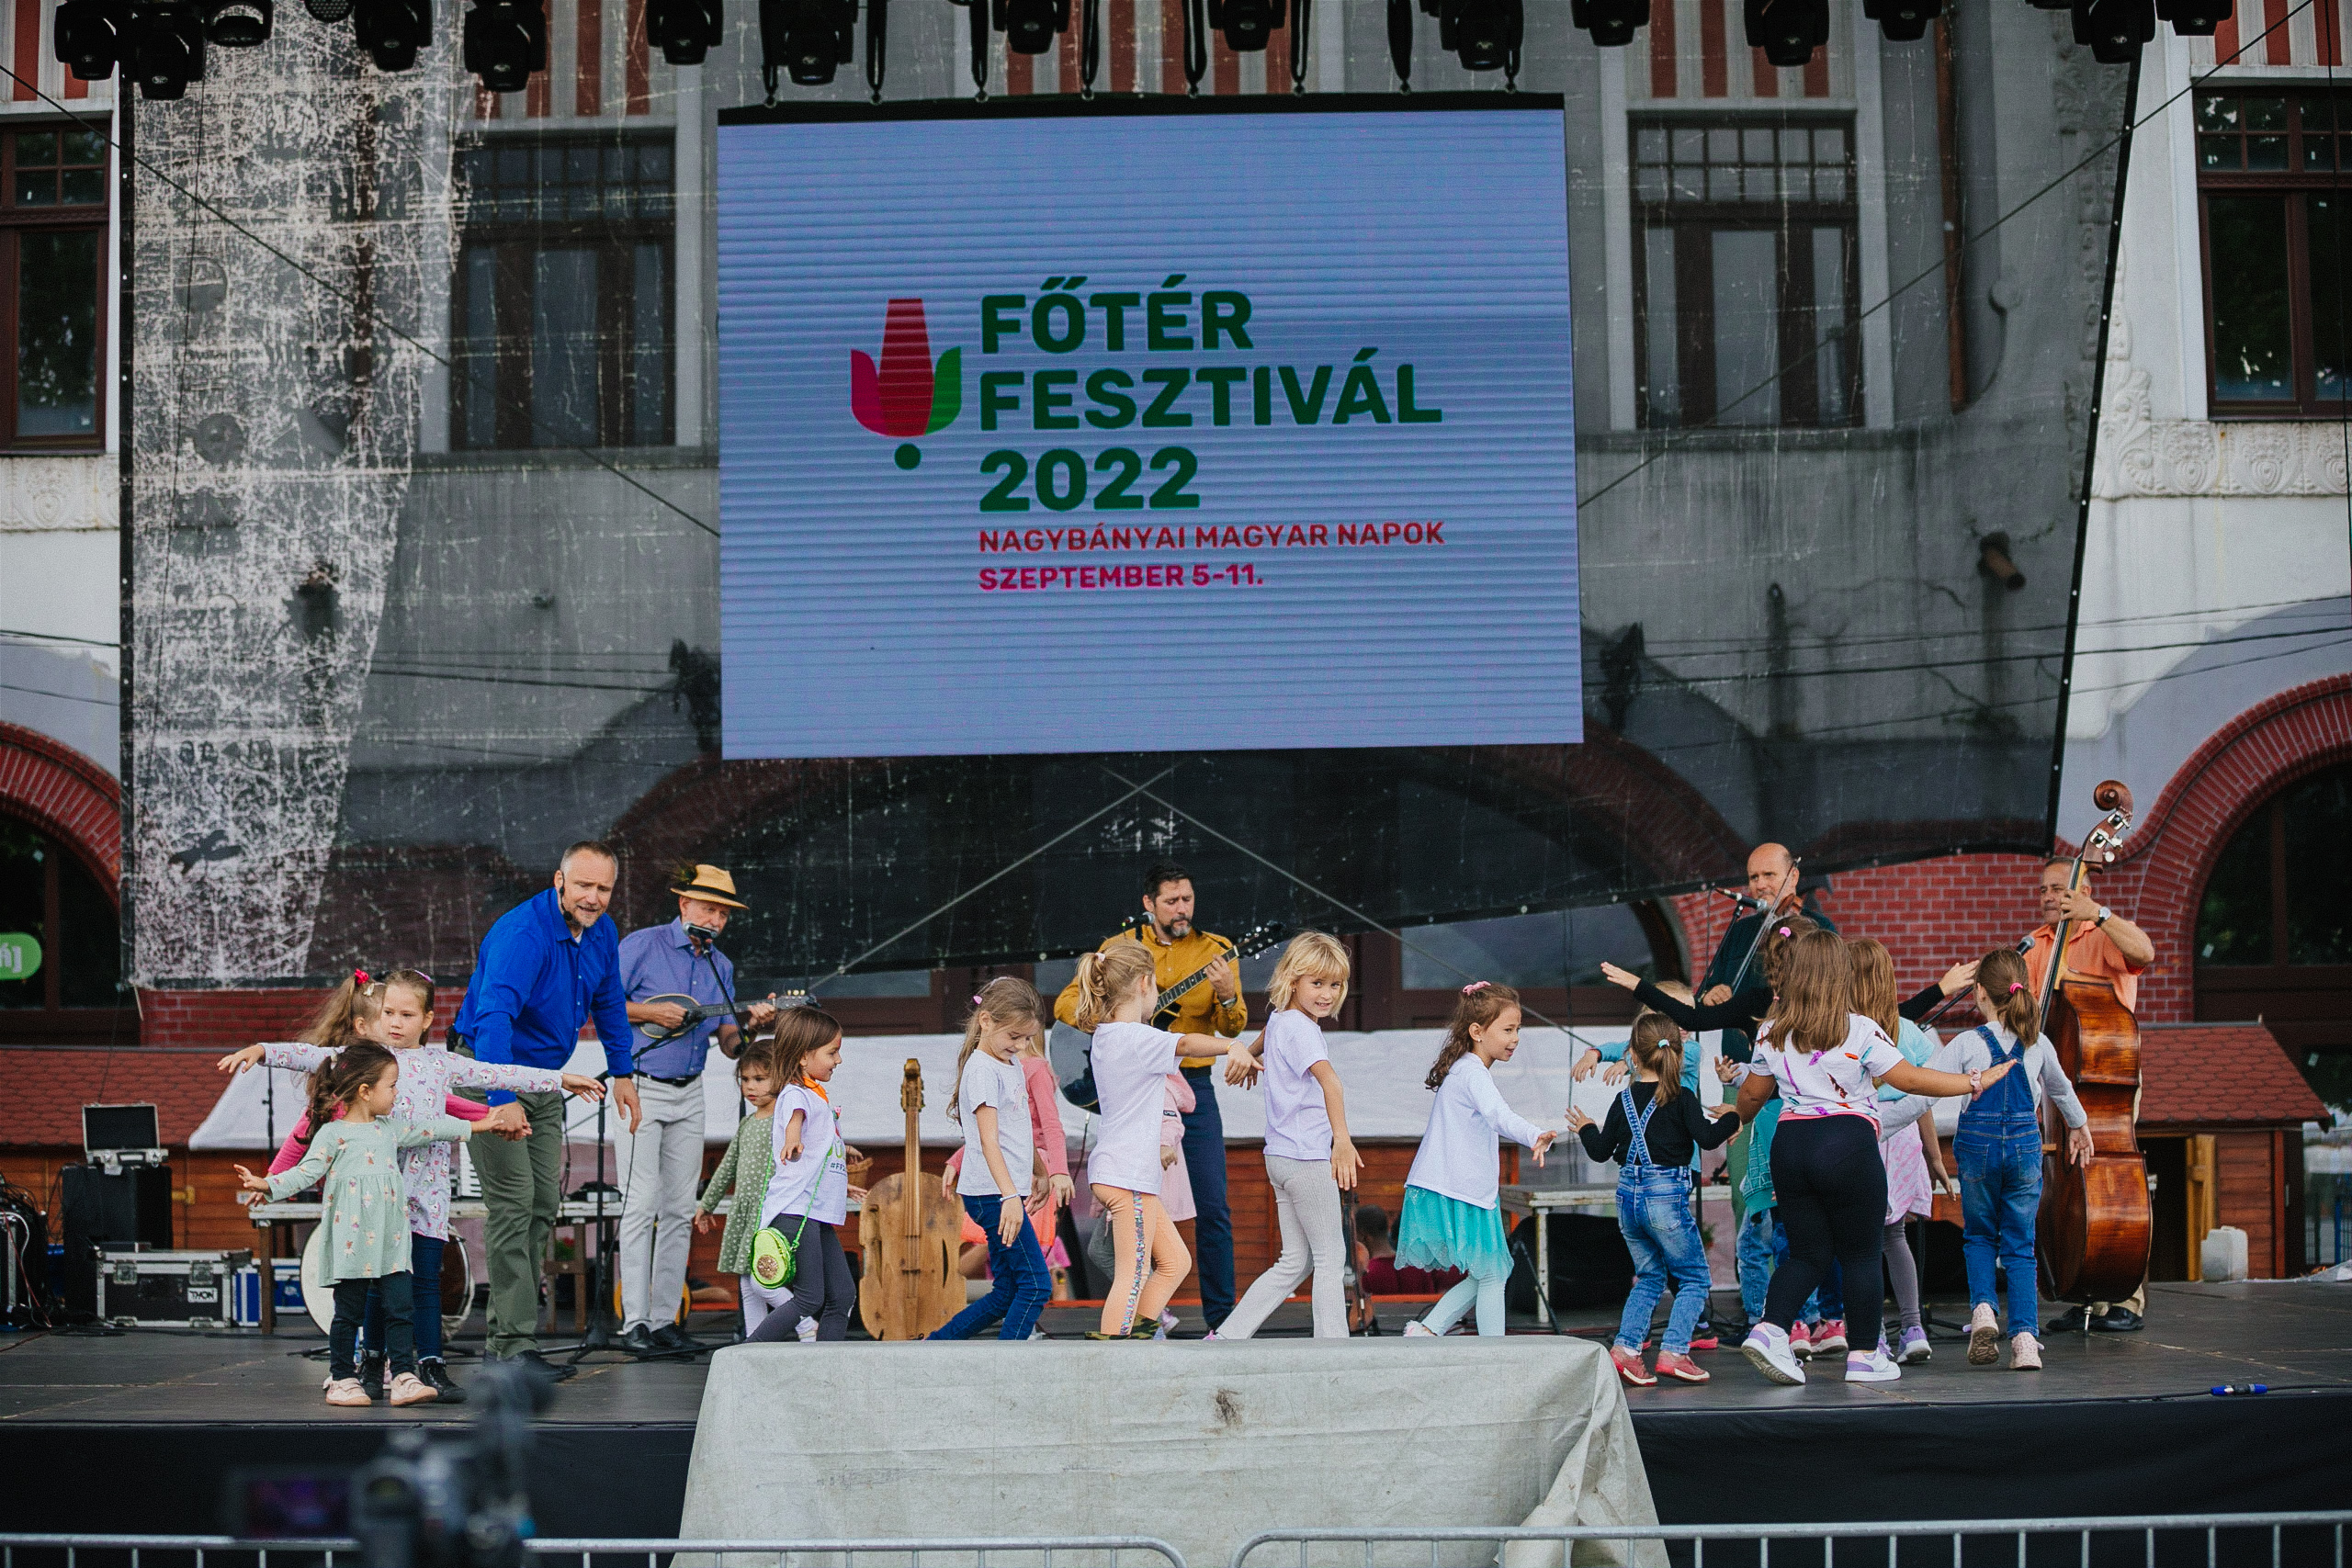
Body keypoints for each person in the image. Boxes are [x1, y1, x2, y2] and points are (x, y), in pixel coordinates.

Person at [220, 969, 582, 1402]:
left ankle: (430, 1366)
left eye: (407, 1015)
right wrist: (262, 1051)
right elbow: (307, 1068)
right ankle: (372, 1365)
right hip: (375, 1197)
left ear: (427, 1019)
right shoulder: (363, 1062)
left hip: (426, 1191)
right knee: (376, 1283)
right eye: (388, 1012)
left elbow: (494, 1075)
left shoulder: (440, 1064)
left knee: (425, 1281)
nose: (395, 1022)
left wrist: (558, 1080)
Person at [1731, 931, 2015, 1387]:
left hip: (1791, 1145)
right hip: (1847, 1143)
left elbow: (1751, 1095)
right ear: (1840, 976)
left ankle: (1769, 1330)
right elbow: (1911, 1079)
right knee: (1861, 1254)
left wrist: (1736, 1119)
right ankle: (1864, 1355)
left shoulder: (1771, 1032)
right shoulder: (1860, 1029)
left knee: (1807, 1254)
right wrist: (1973, 1081)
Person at [449, 840, 643, 1378]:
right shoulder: (523, 934)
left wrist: (623, 1072)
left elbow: (609, 1001)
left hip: (544, 1080)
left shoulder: (602, 931)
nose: (594, 897)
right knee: (514, 1204)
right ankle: (511, 1348)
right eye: (583, 885)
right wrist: (502, 1098)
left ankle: (513, 1340)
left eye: (604, 888)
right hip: (488, 1072)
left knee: (541, 1204)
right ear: (559, 881)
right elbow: (493, 1020)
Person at [235, 1043, 485, 1407]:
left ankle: (404, 1376)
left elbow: (432, 1129)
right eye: (392, 1086)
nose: (398, 1093)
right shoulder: (332, 1134)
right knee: (349, 1313)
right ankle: (342, 1378)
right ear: (366, 1092)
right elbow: (305, 1172)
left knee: (400, 1309)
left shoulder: (390, 1129)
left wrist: (481, 1124)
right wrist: (268, 1184)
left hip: (391, 1241)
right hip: (352, 1243)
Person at [1056, 862, 1249, 1328]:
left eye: (1188, 899)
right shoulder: (1131, 1024)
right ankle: (1116, 1349)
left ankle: (1162, 1331)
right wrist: (1232, 1048)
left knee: (1181, 1253)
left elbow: (1225, 1025)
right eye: (1171, 900)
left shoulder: (1215, 951)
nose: (1182, 908)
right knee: (1134, 1270)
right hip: (1130, 1163)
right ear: (1149, 903)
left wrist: (1226, 998)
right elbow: (1183, 1043)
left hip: (1179, 1099)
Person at [1883, 946, 2091, 1371]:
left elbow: (1923, 1092)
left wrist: (1879, 1126)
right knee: (2020, 1244)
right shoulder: (2038, 1043)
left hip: (1977, 1150)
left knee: (1979, 1235)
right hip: (2024, 1151)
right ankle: (2026, 1340)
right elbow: (2061, 1089)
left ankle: (1982, 1311)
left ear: (1979, 993)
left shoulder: (1966, 1043)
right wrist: (2080, 1126)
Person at [615, 864, 778, 1354]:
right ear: (683, 904)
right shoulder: (642, 946)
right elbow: (600, 1004)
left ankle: (665, 1319)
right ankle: (634, 1322)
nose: (716, 920)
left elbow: (730, 1044)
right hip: (640, 1084)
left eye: (724, 914)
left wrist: (750, 1026)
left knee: (680, 1207)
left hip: (690, 1090)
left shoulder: (720, 966)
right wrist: (650, 1012)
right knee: (640, 1202)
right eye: (709, 909)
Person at [1571, 1010, 1742, 1385]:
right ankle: (1675, 1351)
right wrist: (1733, 1116)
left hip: (1627, 1199)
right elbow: (1708, 1139)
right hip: (1665, 1197)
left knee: (1649, 1276)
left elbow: (1600, 1151)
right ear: (1678, 1054)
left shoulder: (1623, 1100)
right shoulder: (1682, 1098)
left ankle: (1626, 1350)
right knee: (1694, 1277)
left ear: (1632, 1056)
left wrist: (1585, 1127)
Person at [2021, 855, 2154, 1336]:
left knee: (2111, 1182)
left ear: (2083, 891)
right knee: (2064, 1183)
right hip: (2055, 1082)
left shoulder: (2104, 932)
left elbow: (2145, 953)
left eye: (2058, 889)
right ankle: (2083, 1292)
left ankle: (2126, 1295)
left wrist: (2098, 915)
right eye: (2043, 890)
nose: (2048, 897)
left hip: (2103, 1075)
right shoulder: (2036, 944)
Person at [1217, 931, 1363, 1341]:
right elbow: (1331, 1082)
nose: (1327, 994)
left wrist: (1249, 1056)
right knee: (1331, 1258)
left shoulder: (1281, 1018)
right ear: (1293, 980)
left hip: (1280, 1157)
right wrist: (1342, 1140)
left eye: (1334, 985)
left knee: (1294, 1262)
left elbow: (1263, 1040)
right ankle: (1332, 1349)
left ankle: (1228, 1337)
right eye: (1317, 983)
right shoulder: (1303, 1030)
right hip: (1307, 1157)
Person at [1398, 982, 1558, 1339]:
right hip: (1460, 1188)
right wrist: (1534, 1134)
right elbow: (1499, 1115)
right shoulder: (1472, 1073)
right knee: (1492, 1273)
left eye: (1517, 1030)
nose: (1515, 1039)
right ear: (1477, 1032)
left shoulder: (1465, 1070)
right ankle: (1490, 1351)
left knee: (1491, 1272)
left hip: (1458, 1186)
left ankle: (1427, 1331)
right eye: (1508, 1030)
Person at [1847, 937, 1955, 1366]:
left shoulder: (1846, 1032)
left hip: (1863, 1135)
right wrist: (1934, 1157)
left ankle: (1872, 1334)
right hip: (1907, 1138)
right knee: (1895, 1236)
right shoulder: (1906, 1030)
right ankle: (1913, 1328)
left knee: (1862, 1243)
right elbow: (1922, 1097)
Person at [931, 978, 1056, 1342]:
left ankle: (936, 1345)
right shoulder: (983, 1070)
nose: (1021, 1046)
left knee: (1006, 1291)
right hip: (993, 1195)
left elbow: (1018, 1129)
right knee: (1036, 1285)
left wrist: (1040, 1172)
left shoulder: (1009, 1062)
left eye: (1028, 1038)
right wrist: (1010, 1196)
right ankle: (1007, 1365)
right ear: (986, 1021)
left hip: (1001, 1192)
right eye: (1014, 1036)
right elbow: (988, 1140)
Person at [748, 1007, 865, 1342]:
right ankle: (747, 1351)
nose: (838, 1060)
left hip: (812, 1212)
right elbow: (795, 1117)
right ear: (802, 1057)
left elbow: (818, 1150)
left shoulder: (815, 1094)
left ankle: (824, 1364)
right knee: (810, 1297)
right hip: (795, 1211)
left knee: (842, 1295)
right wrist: (792, 1138)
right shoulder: (796, 1094)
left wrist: (842, 1165)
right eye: (832, 1052)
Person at [694, 1043, 797, 1340]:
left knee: (763, 1279)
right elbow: (727, 1167)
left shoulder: (787, 1120)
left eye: (760, 1079)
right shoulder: (747, 1124)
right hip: (746, 1213)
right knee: (747, 1281)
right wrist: (706, 1205)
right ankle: (756, 1341)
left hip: (770, 1212)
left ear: (781, 1077)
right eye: (745, 1079)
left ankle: (803, 1321)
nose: (750, 1087)